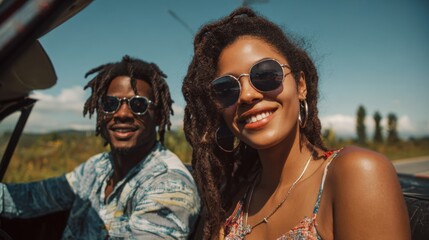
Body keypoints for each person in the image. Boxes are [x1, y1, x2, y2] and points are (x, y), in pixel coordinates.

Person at [182, 7, 410, 240]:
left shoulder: (355, 173)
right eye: (226, 89)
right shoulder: (232, 198)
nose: (247, 96)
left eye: (265, 74)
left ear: (301, 86)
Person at [0, 55, 200, 239]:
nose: (122, 114)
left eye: (138, 104)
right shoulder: (96, 168)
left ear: (157, 116)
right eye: (110, 103)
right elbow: (32, 197)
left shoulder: (170, 186)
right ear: (99, 112)